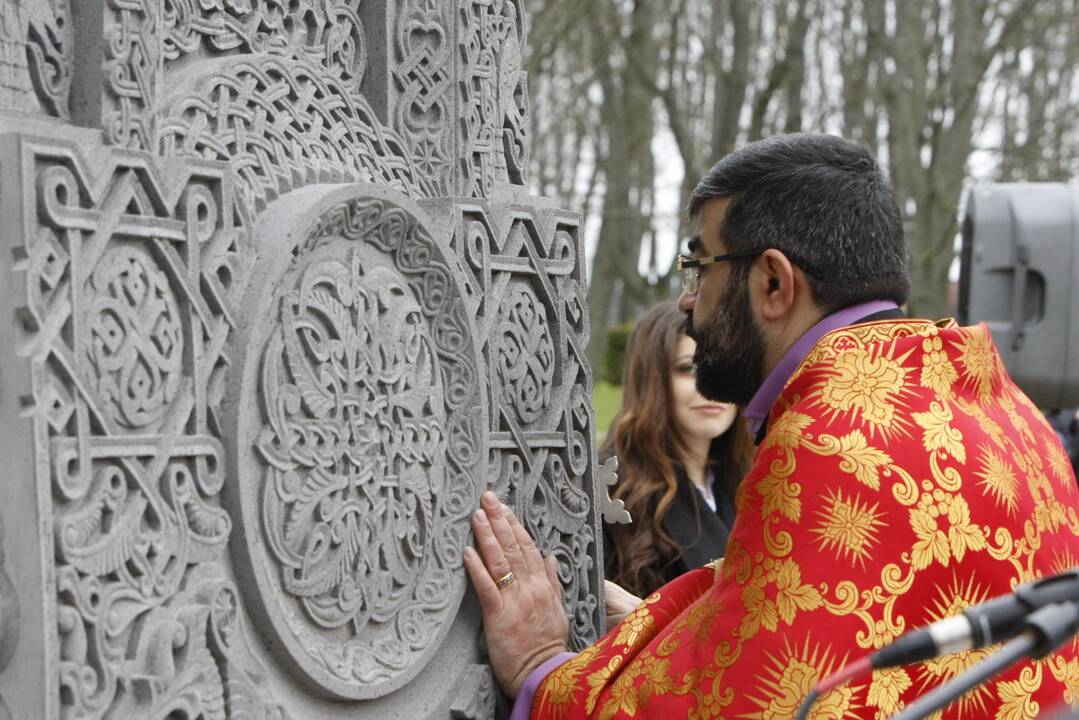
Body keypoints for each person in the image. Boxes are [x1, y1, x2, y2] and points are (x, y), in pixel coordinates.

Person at [462, 133, 1079, 718]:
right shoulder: (1010, 415)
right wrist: (659, 627)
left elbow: (744, 702)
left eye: (698, 266)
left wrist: (543, 668)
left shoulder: (828, 441)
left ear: (774, 283)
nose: (686, 300)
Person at [601, 301, 751, 600]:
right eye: (688, 369)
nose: (711, 387)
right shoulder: (612, 489)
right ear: (652, 379)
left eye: (720, 368)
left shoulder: (751, 482)